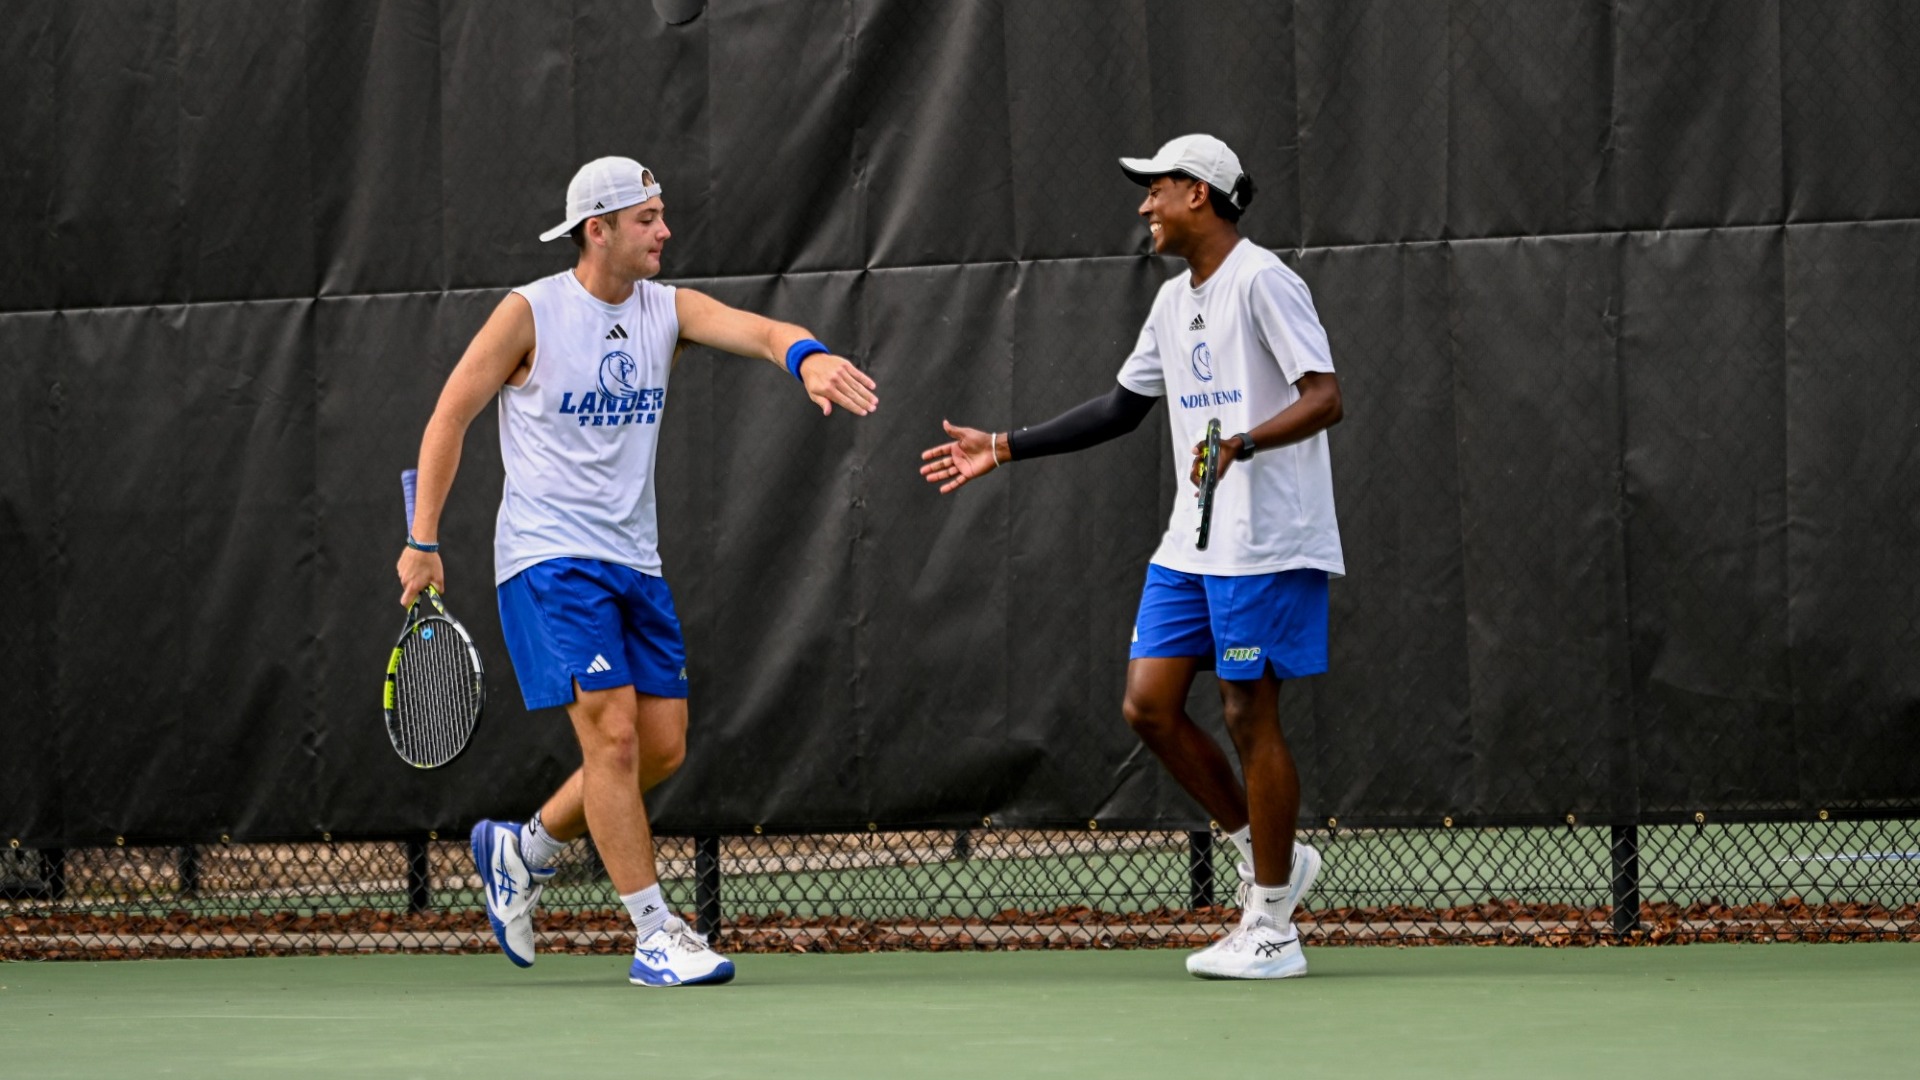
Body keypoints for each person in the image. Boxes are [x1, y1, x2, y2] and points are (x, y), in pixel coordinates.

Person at [396, 156, 879, 986]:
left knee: (659, 748)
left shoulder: (669, 310)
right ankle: (655, 933)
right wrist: (424, 538)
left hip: (635, 560)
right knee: (612, 736)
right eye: (648, 219)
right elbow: (451, 412)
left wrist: (807, 359)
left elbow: (762, 332)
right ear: (600, 231)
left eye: (662, 215)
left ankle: (524, 848)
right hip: (548, 559)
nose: (665, 231)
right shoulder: (531, 314)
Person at [921, 134, 1343, 980]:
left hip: (1263, 539)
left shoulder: (1264, 281)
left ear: (1199, 193)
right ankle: (1274, 857)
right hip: (1191, 539)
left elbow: (1325, 396)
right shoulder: (1171, 303)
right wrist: (1002, 447)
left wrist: (1244, 446)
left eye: (1156, 189)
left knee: (1247, 713)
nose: (1144, 205)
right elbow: (1121, 408)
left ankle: (1272, 928)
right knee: (1149, 705)